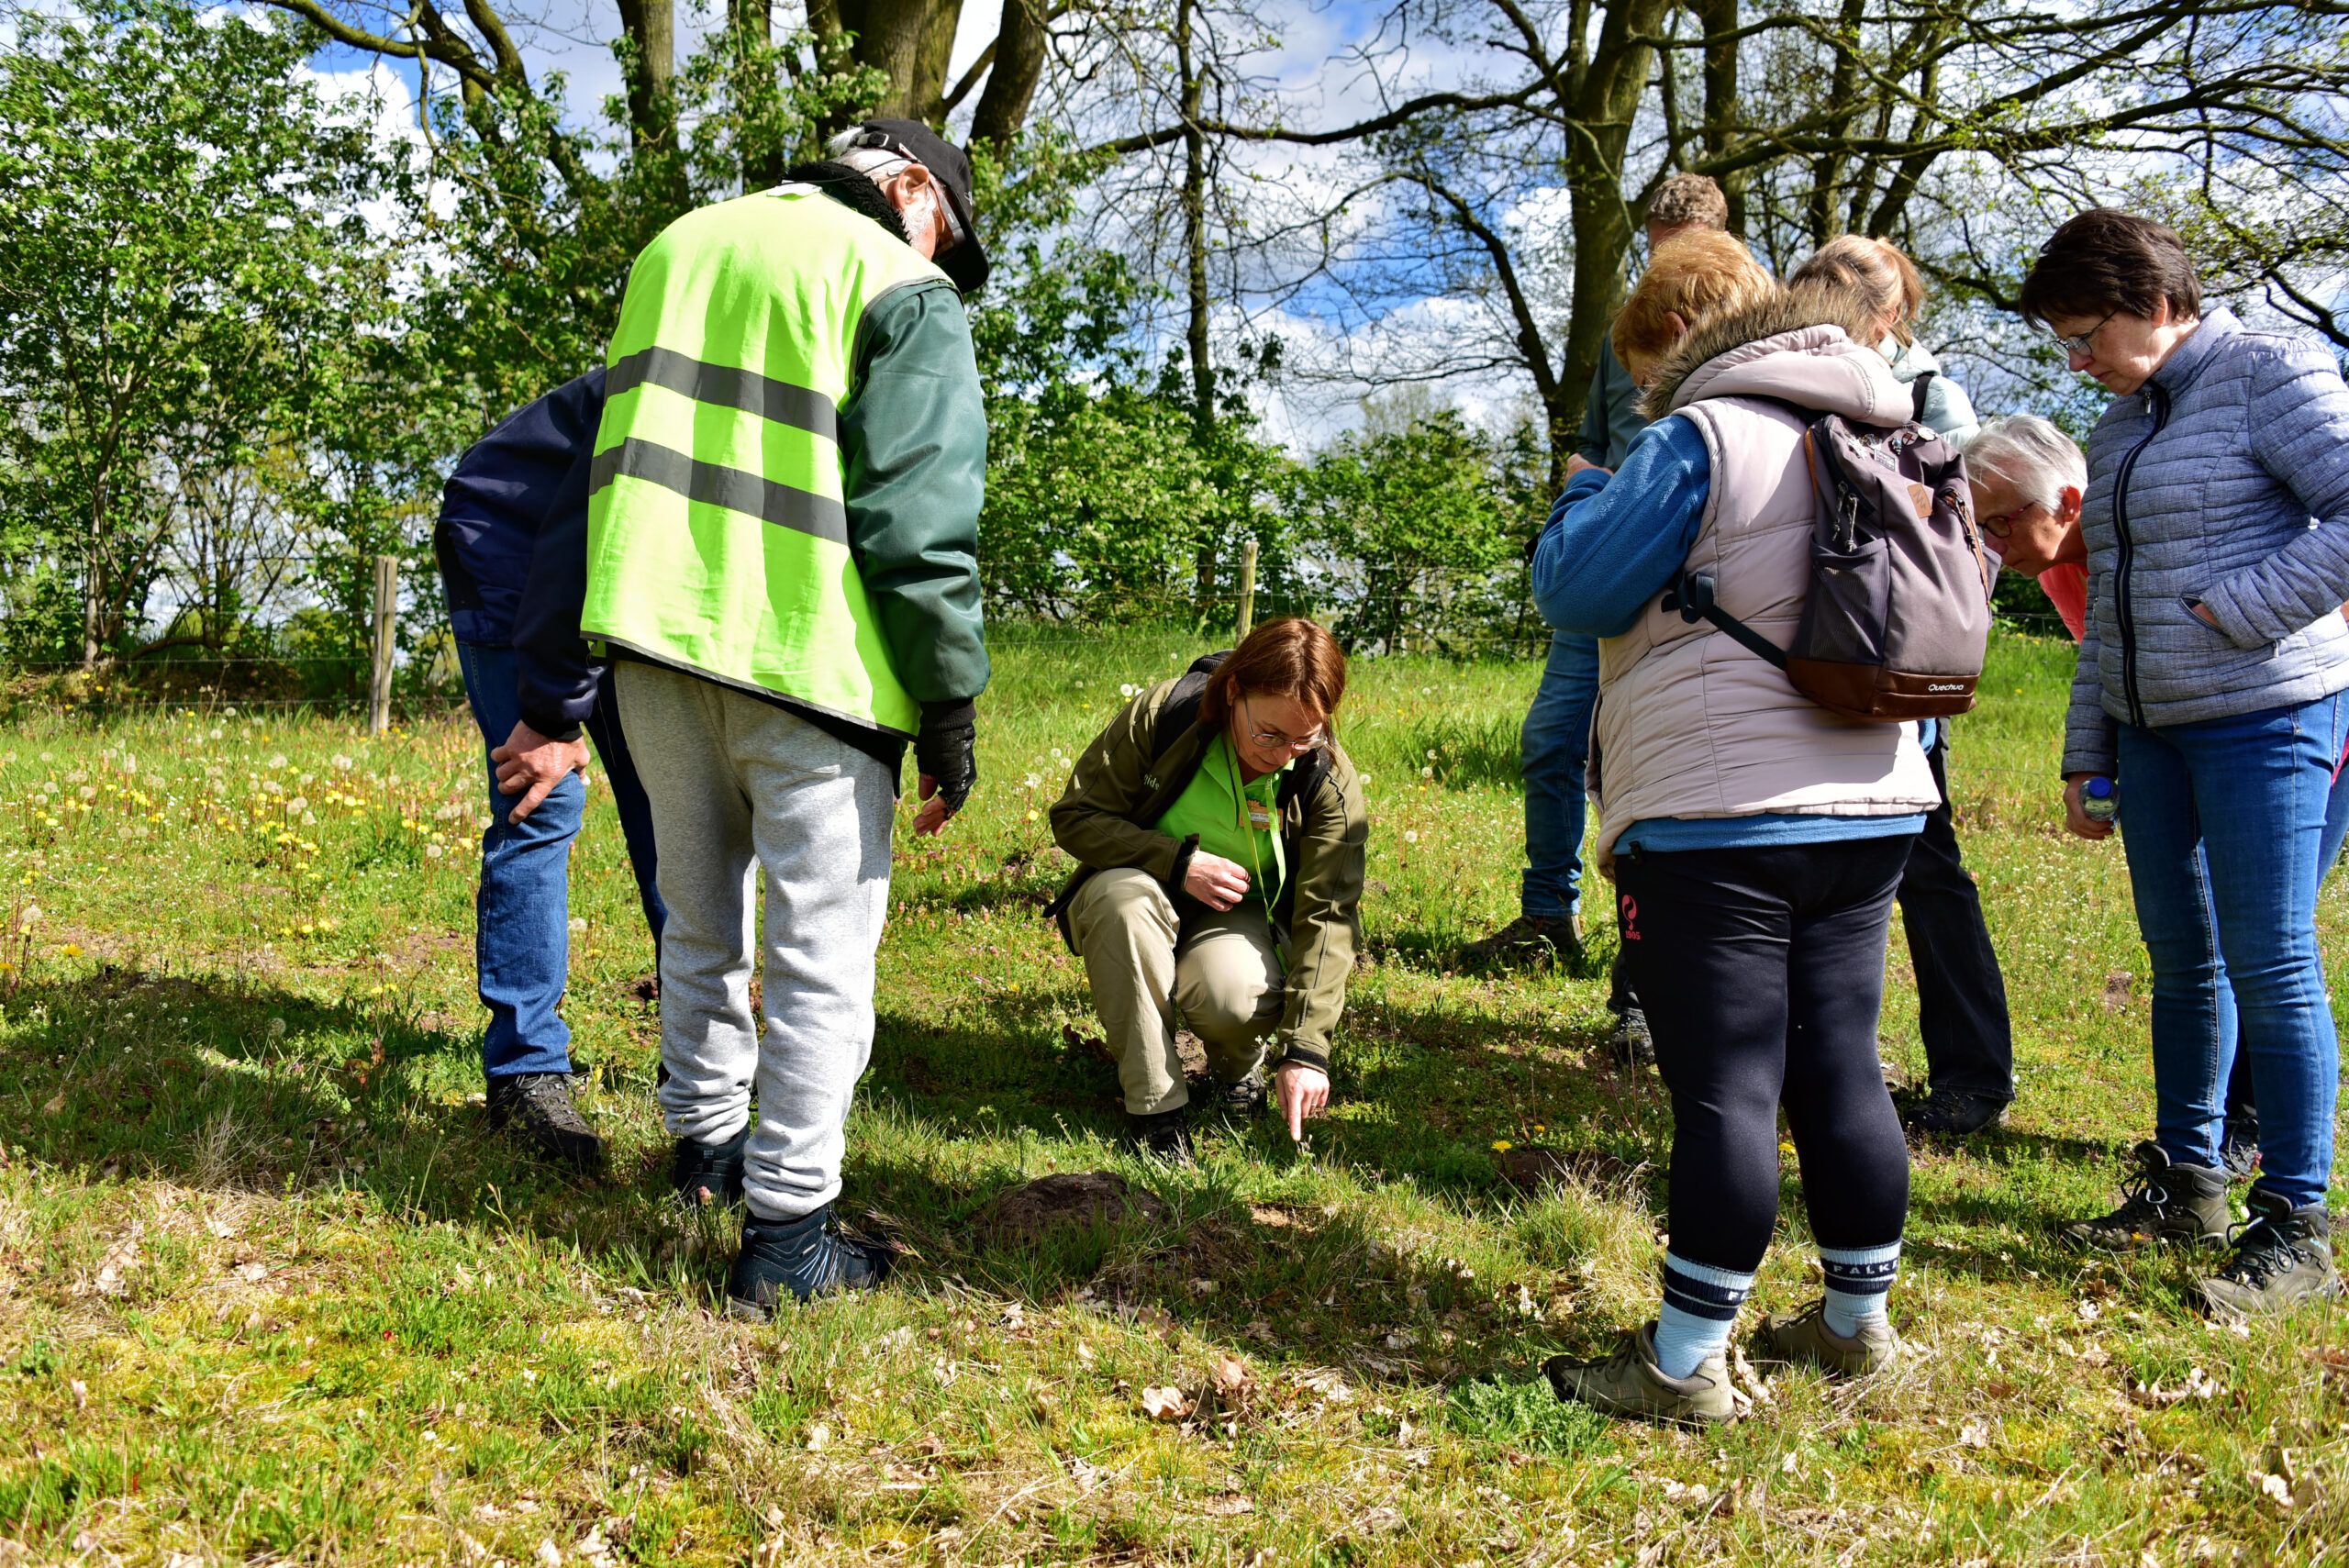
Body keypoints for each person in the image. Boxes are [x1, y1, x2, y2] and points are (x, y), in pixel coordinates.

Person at [576, 120, 991, 1317]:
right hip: (812, 669)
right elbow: (920, 521)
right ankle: (790, 1235)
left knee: (697, 923)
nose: (941, 257)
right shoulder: (901, 291)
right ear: (911, 186)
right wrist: (948, 695)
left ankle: (703, 1155)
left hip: (652, 646)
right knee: (822, 962)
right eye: (945, 233)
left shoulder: (678, 248)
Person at [1535, 271, 1943, 1424]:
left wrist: (1579, 499)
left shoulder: (1699, 433)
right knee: (1842, 1063)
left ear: (1689, 346)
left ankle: (1683, 1361)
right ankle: (1855, 1326)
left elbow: (1577, 590)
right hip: (1872, 796)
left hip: (1721, 809)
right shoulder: (1888, 424)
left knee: (1725, 1087)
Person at [2029, 207, 2349, 1318]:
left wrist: (2236, 609)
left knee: (2269, 957)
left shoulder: (2270, 370)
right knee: (2183, 959)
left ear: (2153, 303)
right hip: (2149, 731)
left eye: (2083, 335)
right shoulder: (2121, 424)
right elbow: (2106, 607)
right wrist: (2088, 748)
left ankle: (2297, 1223)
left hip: (2267, 714)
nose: (2075, 361)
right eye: (2063, 343)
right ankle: (2186, 1182)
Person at [1462, 171, 1732, 1069]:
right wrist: (1581, 515)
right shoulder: (1627, 332)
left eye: (1678, 254)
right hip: (1607, 566)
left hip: (1690, 588)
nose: (1661, 269)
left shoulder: (1746, 332)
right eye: (1654, 251)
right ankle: (1549, 916)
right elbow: (1587, 448)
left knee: (1644, 777)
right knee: (1552, 741)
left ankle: (1645, 979)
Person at [1786, 236, 2012, 1139]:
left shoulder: (1932, 399)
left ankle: (1971, 1072)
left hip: (1898, 670)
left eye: (1837, 312)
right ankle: (1832, 1060)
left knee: (1925, 866)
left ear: (1886, 318)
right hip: (1815, 652)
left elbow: (1968, 557)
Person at [435, 370, 667, 1172]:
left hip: (624, 576)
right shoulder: (697, 376)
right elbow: (602, 529)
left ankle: (700, 1052)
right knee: (543, 794)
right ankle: (525, 1070)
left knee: (670, 804)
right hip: (514, 536)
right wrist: (555, 712)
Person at [1044, 618, 1367, 1163]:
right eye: (1269, 734)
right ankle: (1157, 1111)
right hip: (1142, 887)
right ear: (1234, 692)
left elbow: (1328, 915)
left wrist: (1307, 1050)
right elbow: (1077, 817)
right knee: (1122, 904)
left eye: (1305, 736)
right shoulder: (1165, 716)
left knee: (1230, 997)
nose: (1286, 753)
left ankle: (1240, 1067)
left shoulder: (1324, 777)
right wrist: (1176, 861)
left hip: (1239, 914)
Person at [1788, 235, 1980, 444]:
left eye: (1843, 320)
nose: (1820, 334)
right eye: (1805, 315)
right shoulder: (1787, 386)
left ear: (1888, 318)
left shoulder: (1935, 402)